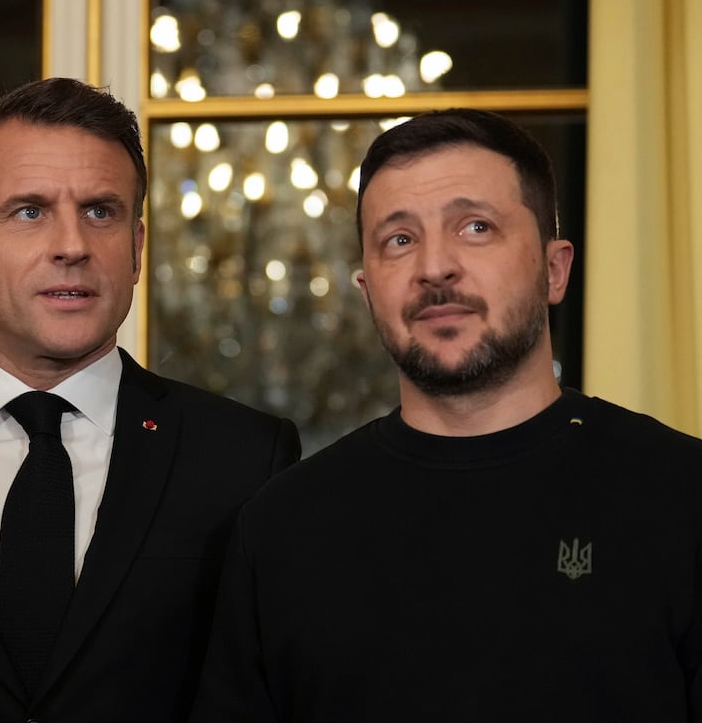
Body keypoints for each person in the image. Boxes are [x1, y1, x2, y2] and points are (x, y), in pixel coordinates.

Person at [189, 108, 702, 722]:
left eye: (476, 227)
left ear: (554, 269)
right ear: (367, 288)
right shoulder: (280, 530)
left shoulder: (683, 495)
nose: (435, 268)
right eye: (399, 240)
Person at [0, 77, 301, 722]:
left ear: (136, 250)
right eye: (29, 211)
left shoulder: (245, 458)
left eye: (100, 211)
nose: (72, 246)